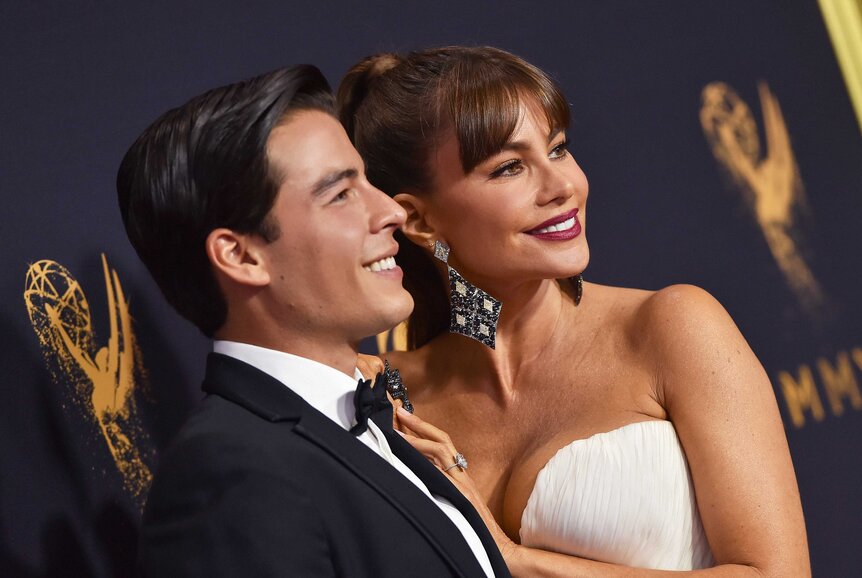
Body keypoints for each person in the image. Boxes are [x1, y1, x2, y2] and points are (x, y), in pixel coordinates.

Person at [338, 46, 810, 576]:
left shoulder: (670, 327)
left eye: (558, 149)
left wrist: (517, 563)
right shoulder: (389, 400)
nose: (565, 187)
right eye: (510, 167)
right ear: (419, 222)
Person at [116, 64, 511, 577]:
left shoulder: (374, 417)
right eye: (340, 194)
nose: (391, 209)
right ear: (242, 257)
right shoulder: (231, 472)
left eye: (367, 181)